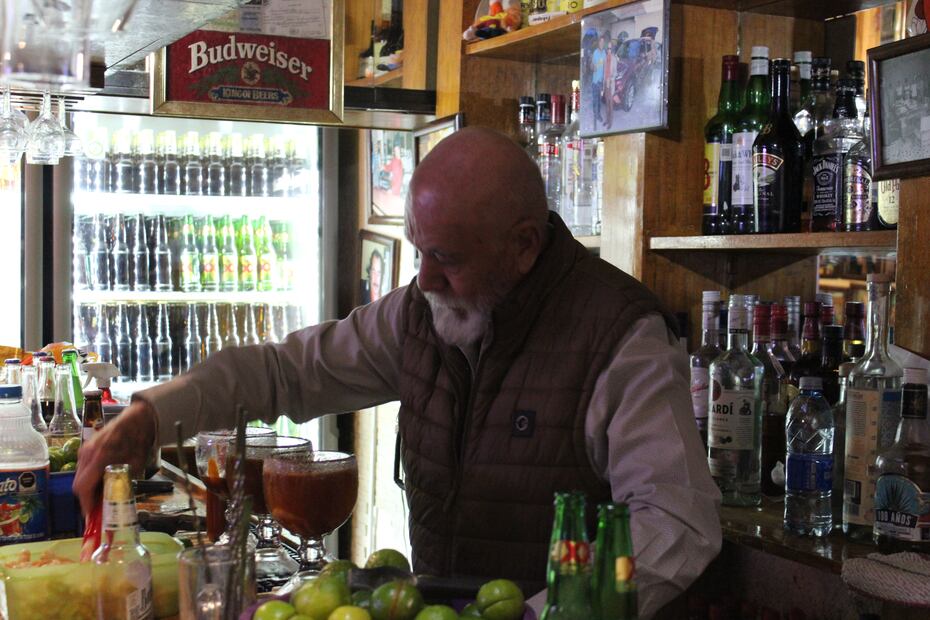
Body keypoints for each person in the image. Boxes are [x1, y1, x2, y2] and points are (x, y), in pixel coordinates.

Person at [74, 127, 721, 618]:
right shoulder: (423, 313)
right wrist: (153, 414)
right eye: (418, 251)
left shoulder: (622, 337)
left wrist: (543, 611)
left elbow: (678, 522)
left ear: (524, 246)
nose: (425, 278)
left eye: (446, 258)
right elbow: (283, 374)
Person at [590, 33, 607, 124]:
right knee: (594, 99)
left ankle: (598, 114)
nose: (602, 43)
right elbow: (591, 65)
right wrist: (593, 67)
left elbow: (605, 66)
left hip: (601, 81)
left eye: (603, 42)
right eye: (600, 42)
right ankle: (594, 113)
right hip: (595, 81)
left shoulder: (604, 53)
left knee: (599, 100)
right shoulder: (595, 52)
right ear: (598, 43)